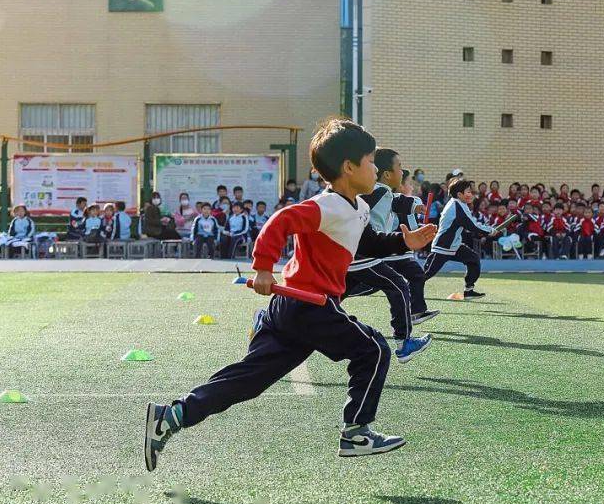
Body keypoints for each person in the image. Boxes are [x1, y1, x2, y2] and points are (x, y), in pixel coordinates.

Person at [144, 118, 436, 473]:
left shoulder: (357, 208)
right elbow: (280, 222)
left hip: (293, 308)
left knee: (248, 380)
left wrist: (406, 241)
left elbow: (366, 243)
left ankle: (172, 415)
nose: (377, 168)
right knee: (374, 349)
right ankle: (356, 432)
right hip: (309, 304)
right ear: (349, 167)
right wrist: (264, 267)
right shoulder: (327, 206)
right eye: (371, 161)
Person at [343, 148, 433, 363]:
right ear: (386, 174)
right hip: (364, 252)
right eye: (399, 167)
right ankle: (404, 343)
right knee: (398, 284)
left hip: (355, 253)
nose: (402, 172)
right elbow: (377, 200)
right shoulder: (378, 190)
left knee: (334, 295)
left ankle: (283, 321)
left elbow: (394, 200)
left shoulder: (382, 191)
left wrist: (414, 205)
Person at [424, 179, 500, 298]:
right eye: (469, 192)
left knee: (473, 259)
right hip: (443, 246)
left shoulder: (459, 204)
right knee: (427, 273)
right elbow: (472, 226)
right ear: (459, 194)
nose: (471, 194)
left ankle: (469, 291)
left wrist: (488, 230)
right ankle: (408, 288)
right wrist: (490, 231)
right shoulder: (456, 206)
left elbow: (472, 224)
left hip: (453, 245)